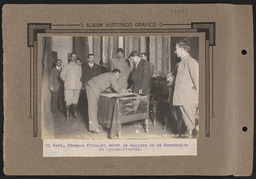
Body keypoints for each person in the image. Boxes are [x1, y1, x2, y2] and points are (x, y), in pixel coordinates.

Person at [172, 39, 199, 137]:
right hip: (181, 98)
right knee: (188, 125)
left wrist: (198, 98)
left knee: (191, 125)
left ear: (182, 49)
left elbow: (198, 82)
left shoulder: (191, 62)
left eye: (176, 49)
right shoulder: (181, 63)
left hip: (188, 99)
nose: (175, 51)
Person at [85, 69, 122, 133]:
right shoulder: (112, 75)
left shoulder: (108, 75)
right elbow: (116, 88)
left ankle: (95, 125)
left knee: (95, 107)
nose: (118, 77)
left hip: (91, 87)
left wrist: (115, 91)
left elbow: (106, 88)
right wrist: (121, 91)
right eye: (119, 75)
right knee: (93, 108)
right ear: (116, 73)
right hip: (92, 87)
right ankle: (93, 128)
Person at [60, 53, 82, 120]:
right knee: (68, 101)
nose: (74, 58)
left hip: (77, 86)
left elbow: (80, 76)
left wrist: (77, 82)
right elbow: (62, 76)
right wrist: (67, 82)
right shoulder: (66, 66)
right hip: (69, 86)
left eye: (75, 56)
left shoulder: (79, 66)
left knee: (75, 101)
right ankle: (67, 115)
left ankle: (74, 113)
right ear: (70, 58)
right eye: (73, 56)